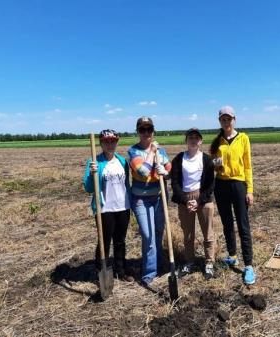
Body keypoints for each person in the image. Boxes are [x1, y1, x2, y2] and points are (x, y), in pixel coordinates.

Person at [210, 106, 256, 285]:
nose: (226, 122)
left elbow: (248, 166)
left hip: (238, 185)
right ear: (219, 121)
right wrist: (216, 164)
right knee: (227, 223)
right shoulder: (217, 141)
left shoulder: (243, 138)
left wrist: (250, 190)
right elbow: (213, 164)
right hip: (221, 185)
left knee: (243, 225)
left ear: (234, 119)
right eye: (223, 119)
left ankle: (249, 265)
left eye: (229, 119)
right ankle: (232, 255)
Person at [83, 129, 133, 282]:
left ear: (117, 142)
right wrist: (92, 175)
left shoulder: (122, 161)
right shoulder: (94, 162)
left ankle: (120, 270)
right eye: (106, 141)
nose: (110, 144)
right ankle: (100, 271)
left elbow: (126, 184)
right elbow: (88, 187)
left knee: (120, 240)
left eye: (113, 141)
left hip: (123, 207)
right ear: (101, 143)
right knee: (104, 241)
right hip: (104, 208)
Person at [128, 116, 172, 287]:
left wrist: (165, 171)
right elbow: (143, 171)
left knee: (159, 231)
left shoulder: (162, 152)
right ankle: (149, 272)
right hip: (141, 200)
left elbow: (169, 170)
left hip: (159, 197)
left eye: (149, 129)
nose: (146, 133)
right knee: (148, 235)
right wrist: (153, 152)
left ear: (153, 131)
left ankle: (158, 264)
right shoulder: (133, 151)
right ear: (138, 132)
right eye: (142, 130)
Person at [170, 128, 216, 279]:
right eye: (190, 137)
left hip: (203, 198)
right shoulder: (178, 159)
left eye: (196, 138)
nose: (193, 140)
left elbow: (210, 184)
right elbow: (175, 183)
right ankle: (189, 262)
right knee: (188, 235)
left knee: (208, 233)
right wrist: (186, 200)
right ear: (186, 141)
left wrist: (199, 201)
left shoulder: (207, 159)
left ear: (201, 141)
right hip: (185, 199)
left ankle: (209, 262)